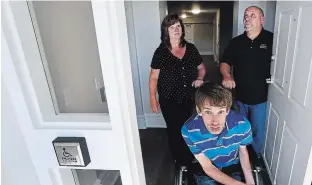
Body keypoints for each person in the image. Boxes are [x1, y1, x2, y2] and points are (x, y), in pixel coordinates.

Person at [149, 13, 206, 166]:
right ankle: (179, 159)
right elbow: (153, 77)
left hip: (189, 97)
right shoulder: (160, 52)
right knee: (175, 129)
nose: (176, 29)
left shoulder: (191, 49)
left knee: (189, 127)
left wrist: (200, 78)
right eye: (172, 27)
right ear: (165, 31)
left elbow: (201, 68)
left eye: (178, 26)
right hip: (169, 98)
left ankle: (189, 155)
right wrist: (153, 99)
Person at [220, 6, 273, 156]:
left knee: (257, 131)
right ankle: (239, 156)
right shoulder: (236, 42)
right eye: (245, 16)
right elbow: (225, 63)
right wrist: (226, 75)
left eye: (252, 15)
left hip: (262, 98)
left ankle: (255, 159)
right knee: (239, 128)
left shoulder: (272, 40)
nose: (247, 19)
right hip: (240, 97)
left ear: (262, 19)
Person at [181, 82, 255, 185]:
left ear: (227, 110)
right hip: (206, 169)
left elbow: (243, 151)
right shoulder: (188, 130)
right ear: (199, 110)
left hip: (233, 166)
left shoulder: (242, 125)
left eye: (220, 112)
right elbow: (207, 166)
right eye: (208, 112)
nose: (215, 121)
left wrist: (250, 181)